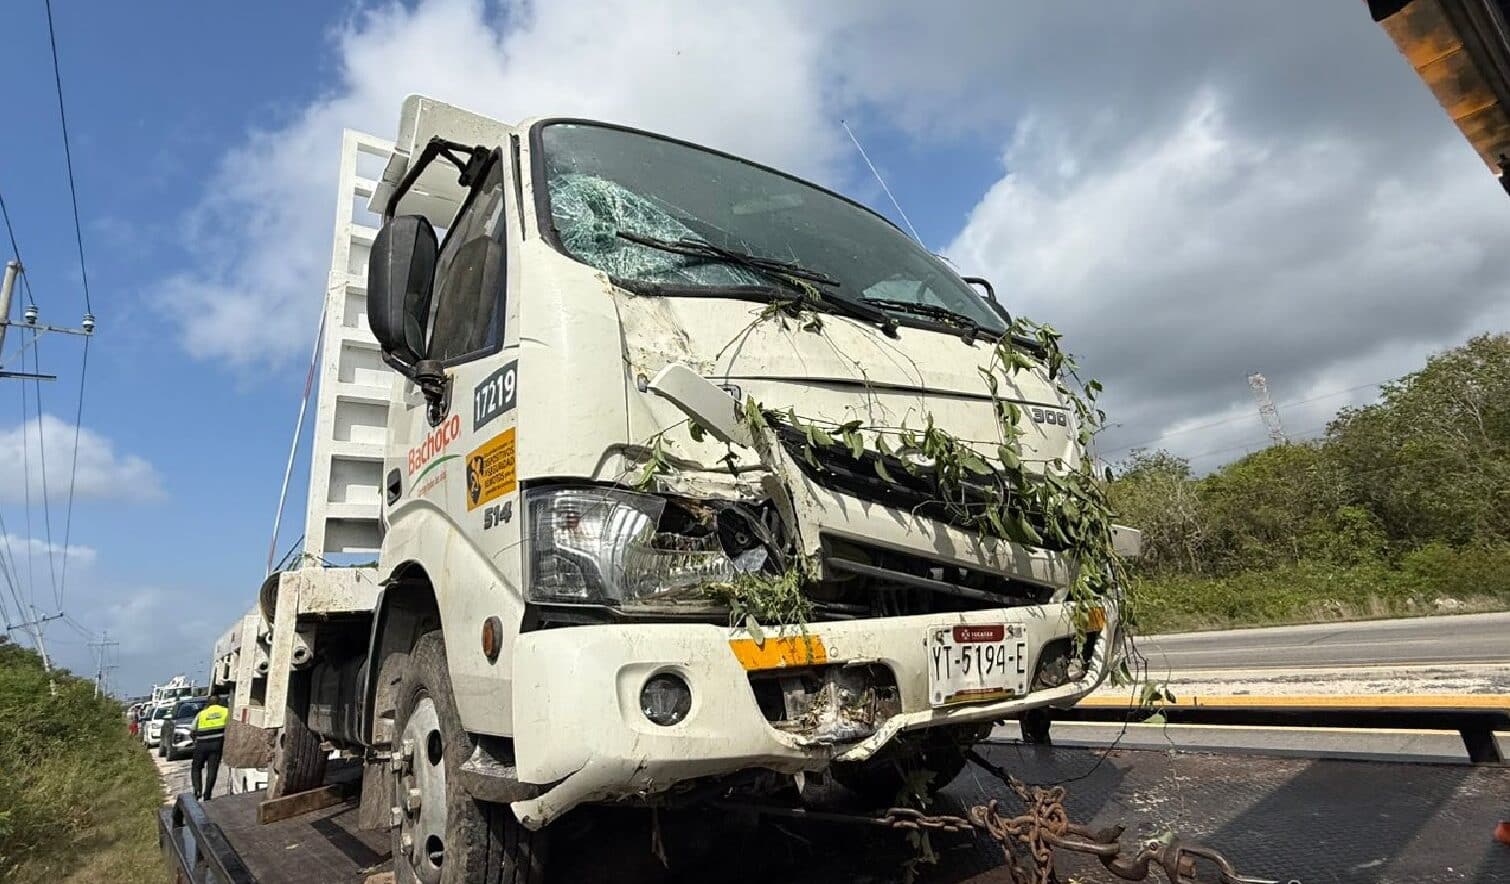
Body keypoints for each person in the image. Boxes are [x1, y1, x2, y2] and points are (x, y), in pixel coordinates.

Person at [190, 694, 229, 802]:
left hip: (201, 744)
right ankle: (207, 794)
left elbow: (192, 729)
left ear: (208, 703)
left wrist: (195, 741)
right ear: (219, 702)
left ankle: (197, 790)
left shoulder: (201, 713)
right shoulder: (226, 712)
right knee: (212, 769)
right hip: (217, 744)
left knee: (196, 767)